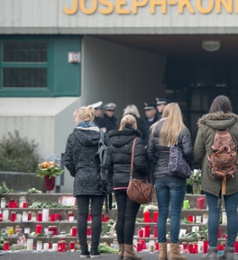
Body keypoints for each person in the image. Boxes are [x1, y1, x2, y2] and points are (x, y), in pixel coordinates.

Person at [194, 95, 238, 260]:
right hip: (232, 175)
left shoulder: (204, 125)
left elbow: (197, 152)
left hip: (211, 175)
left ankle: (212, 250)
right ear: (228, 107)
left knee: (213, 212)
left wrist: (204, 161)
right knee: (232, 212)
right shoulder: (237, 125)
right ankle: (230, 250)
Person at [147, 103, 192, 260]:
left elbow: (150, 153)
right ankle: (174, 252)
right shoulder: (182, 129)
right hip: (177, 176)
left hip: (160, 176)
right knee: (175, 213)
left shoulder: (155, 128)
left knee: (162, 212)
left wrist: (159, 162)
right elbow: (188, 151)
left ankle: (162, 252)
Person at [104, 114, 150, 260]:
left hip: (118, 184)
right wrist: (147, 172)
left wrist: (113, 179)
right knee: (130, 216)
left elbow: (107, 165)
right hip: (133, 183)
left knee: (121, 216)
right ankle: (129, 252)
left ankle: (121, 251)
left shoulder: (112, 142)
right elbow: (141, 164)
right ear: (134, 125)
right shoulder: (137, 141)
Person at [64, 105, 105, 258]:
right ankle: (94, 250)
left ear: (81, 118)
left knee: (81, 215)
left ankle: (83, 251)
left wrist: (77, 172)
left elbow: (67, 160)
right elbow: (107, 157)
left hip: (81, 177)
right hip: (98, 178)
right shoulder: (101, 135)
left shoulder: (73, 137)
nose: (74, 120)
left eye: (75, 117)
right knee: (96, 216)